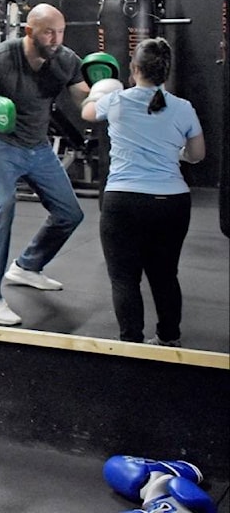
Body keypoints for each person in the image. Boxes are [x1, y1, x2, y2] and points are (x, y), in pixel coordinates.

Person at [0, 3, 90, 326]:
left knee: (70, 213)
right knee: (2, 206)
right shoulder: (0, 58)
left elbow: (83, 98)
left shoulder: (66, 59)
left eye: (61, 31)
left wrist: (106, 93)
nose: (56, 39)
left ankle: (27, 266)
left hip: (37, 146)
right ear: (30, 32)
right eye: (49, 32)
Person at [81, 37, 205, 347]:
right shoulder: (183, 108)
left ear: (134, 68)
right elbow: (197, 154)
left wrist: (97, 91)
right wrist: (175, 153)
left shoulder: (117, 101)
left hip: (124, 202)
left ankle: (131, 344)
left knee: (124, 279)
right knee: (165, 275)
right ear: (166, 72)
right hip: (172, 203)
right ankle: (169, 338)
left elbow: (87, 113)